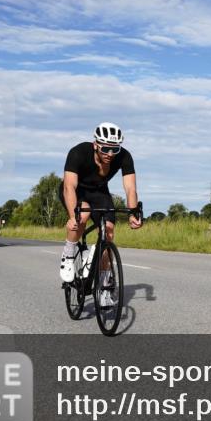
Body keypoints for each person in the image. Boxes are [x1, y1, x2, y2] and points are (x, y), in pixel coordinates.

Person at [59, 122, 142, 308]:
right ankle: (69, 253)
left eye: (115, 149)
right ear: (95, 144)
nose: (110, 154)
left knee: (109, 232)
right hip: (76, 191)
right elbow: (69, 186)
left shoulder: (124, 156)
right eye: (105, 149)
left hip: (99, 192)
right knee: (83, 214)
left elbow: (130, 188)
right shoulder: (78, 152)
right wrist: (73, 215)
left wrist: (132, 213)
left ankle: (104, 288)